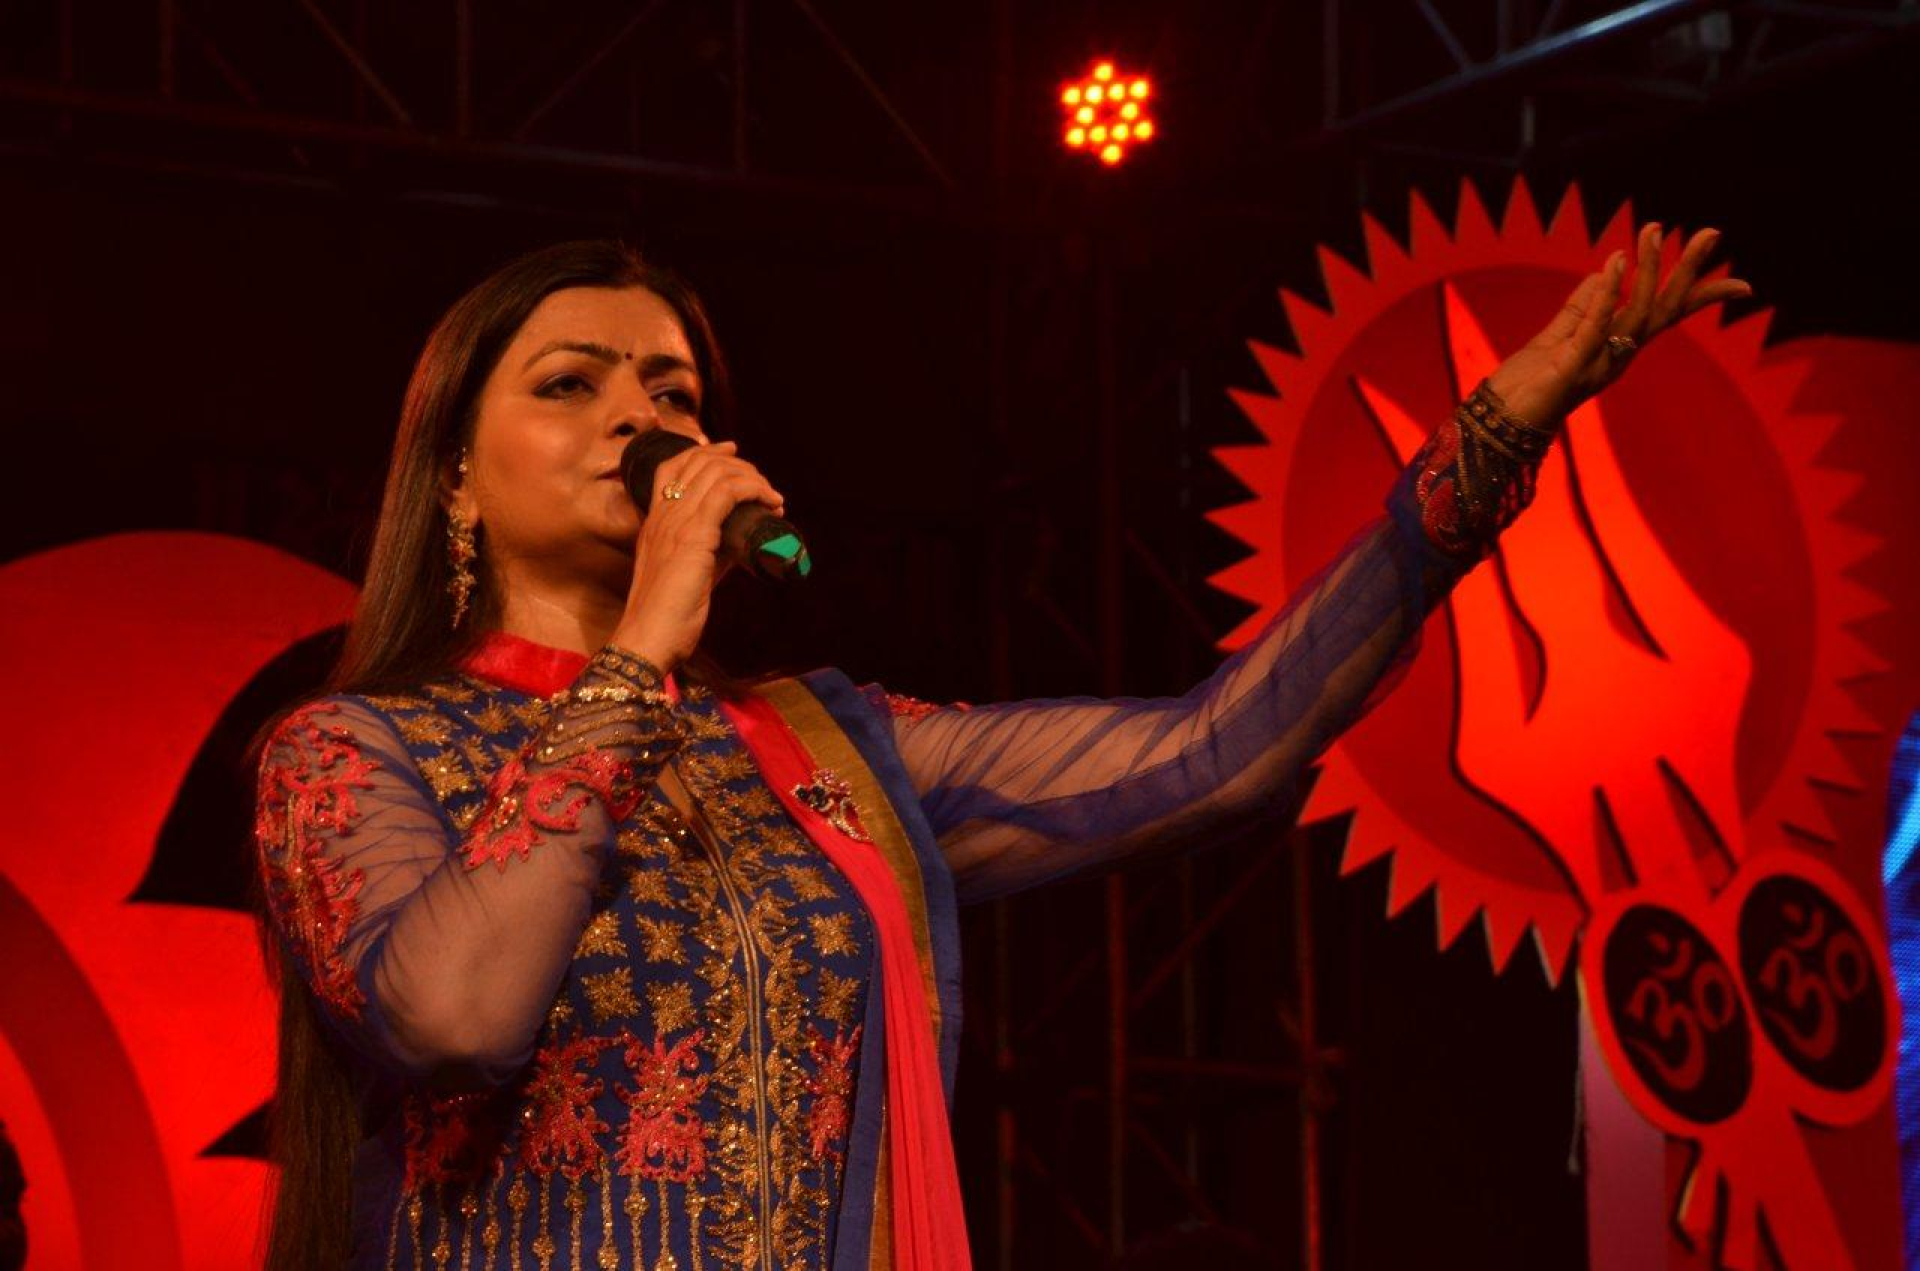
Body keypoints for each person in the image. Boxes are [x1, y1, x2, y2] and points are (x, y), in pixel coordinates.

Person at [252, 232, 1748, 1271]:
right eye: (570, 384)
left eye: (673, 395)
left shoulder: (817, 748)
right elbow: (455, 1015)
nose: (636, 421)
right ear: (455, 473)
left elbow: (1215, 751)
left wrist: (1493, 440)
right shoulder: (353, 750)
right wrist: (638, 649)